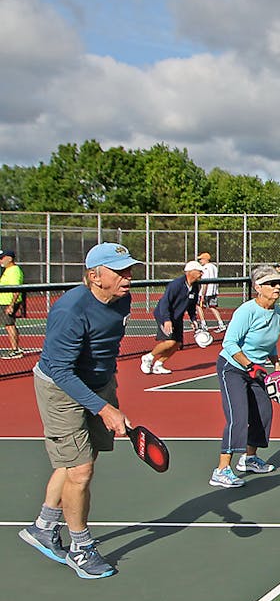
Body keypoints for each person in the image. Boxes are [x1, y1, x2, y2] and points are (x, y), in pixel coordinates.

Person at [18, 242, 141, 579]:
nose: (128, 276)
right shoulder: (70, 310)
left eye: (129, 269)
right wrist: (104, 409)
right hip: (60, 388)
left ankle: (44, 526)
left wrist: (107, 393)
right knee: (81, 470)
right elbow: (59, 371)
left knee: (80, 462)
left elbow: (106, 345)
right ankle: (80, 548)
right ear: (94, 276)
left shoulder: (122, 298)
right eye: (119, 271)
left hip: (99, 382)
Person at [211, 264, 280, 488]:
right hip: (232, 367)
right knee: (238, 416)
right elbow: (229, 343)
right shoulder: (246, 311)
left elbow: (270, 344)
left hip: (257, 370)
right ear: (258, 287)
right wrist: (249, 366)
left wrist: (277, 367)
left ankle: (249, 458)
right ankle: (222, 470)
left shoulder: (277, 312)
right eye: (271, 284)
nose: (277, 287)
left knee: (263, 412)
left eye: (279, 283)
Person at [140, 260, 203, 375]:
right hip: (164, 315)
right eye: (199, 271)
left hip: (177, 317)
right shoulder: (176, 285)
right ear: (190, 272)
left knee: (177, 343)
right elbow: (165, 302)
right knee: (170, 342)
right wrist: (167, 319)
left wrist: (193, 319)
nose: (201, 273)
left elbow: (191, 305)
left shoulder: (195, 287)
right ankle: (148, 357)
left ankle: (158, 365)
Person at [1, 248, 23, 358]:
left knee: (9, 325)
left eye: (2, 258)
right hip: (4, 302)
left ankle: (15, 350)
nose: (0, 261)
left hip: (8, 303)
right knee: (8, 325)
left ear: (9, 259)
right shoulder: (7, 270)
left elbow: (16, 289)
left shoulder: (14, 270)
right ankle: (15, 349)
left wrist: (11, 305)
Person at [195, 251, 225, 332]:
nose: (200, 261)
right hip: (213, 291)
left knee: (198, 306)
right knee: (212, 307)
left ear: (205, 259)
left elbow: (205, 283)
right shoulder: (214, 267)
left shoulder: (205, 268)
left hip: (206, 292)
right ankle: (221, 324)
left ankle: (203, 324)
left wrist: (202, 295)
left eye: (201, 259)